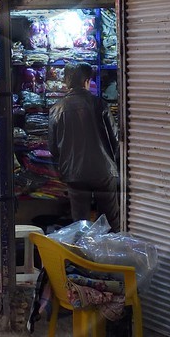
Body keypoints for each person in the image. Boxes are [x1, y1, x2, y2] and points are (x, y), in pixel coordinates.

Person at [48, 62, 118, 223]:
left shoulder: (56, 109)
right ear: (86, 81)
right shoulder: (100, 104)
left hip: (74, 173)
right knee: (110, 221)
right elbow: (114, 138)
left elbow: (53, 147)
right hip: (103, 170)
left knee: (80, 222)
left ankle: (82, 249)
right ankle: (108, 247)